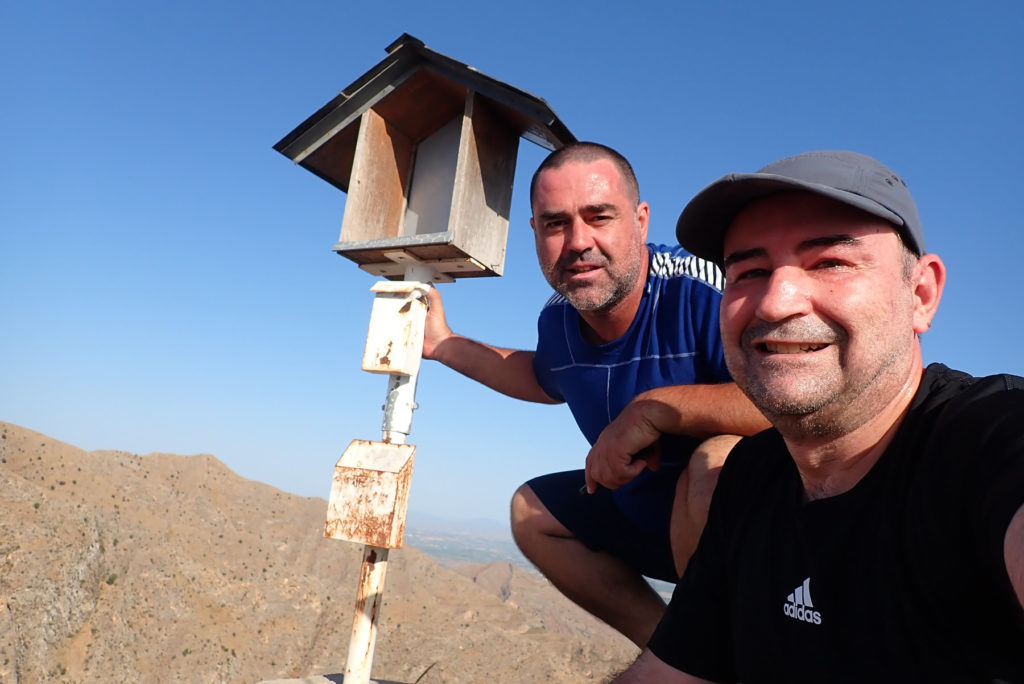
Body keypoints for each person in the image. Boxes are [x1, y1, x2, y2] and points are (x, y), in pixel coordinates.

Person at [608, 150, 1024, 683]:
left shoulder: (985, 444)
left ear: (921, 294)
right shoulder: (748, 477)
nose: (775, 303)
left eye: (829, 263)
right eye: (749, 271)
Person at [422, 142, 768, 647]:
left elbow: (793, 403)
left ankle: (729, 653)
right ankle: (674, 652)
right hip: (647, 519)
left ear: (641, 220)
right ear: (535, 233)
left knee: (717, 460)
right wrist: (444, 345)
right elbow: (546, 377)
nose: (578, 241)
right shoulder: (558, 320)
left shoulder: (706, 293)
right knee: (532, 511)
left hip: (752, 535)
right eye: (556, 223)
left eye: (598, 216)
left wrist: (653, 412)